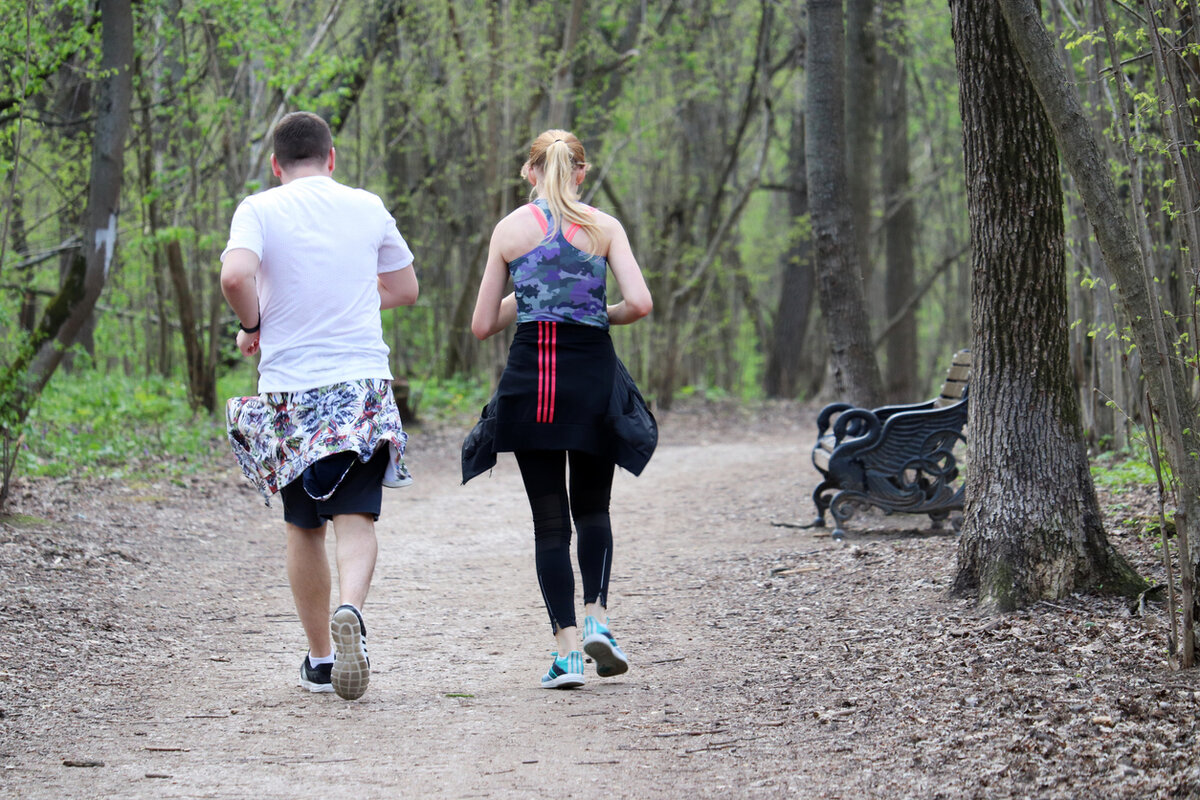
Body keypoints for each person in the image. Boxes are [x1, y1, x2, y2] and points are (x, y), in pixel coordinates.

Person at [220, 111, 419, 701]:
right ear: (331, 158)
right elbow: (405, 288)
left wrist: (253, 322)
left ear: (276, 165)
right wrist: (351, 292)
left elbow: (235, 276)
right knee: (357, 516)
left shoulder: (259, 208)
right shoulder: (366, 205)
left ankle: (322, 660)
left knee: (302, 526)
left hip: (290, 389)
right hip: (360, 386)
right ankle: (351, 608)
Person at [468, 129, 654, 689]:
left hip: (533, 387)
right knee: (593, 511)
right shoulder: (604, 226)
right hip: (591, 380)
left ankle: (568, 652)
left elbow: (482, 326)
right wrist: (596, 312)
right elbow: (641, 304)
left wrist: (531, 296)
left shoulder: (510, 230)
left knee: (550, 524)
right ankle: (599, 617)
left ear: (529, 173)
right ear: (581, 171)